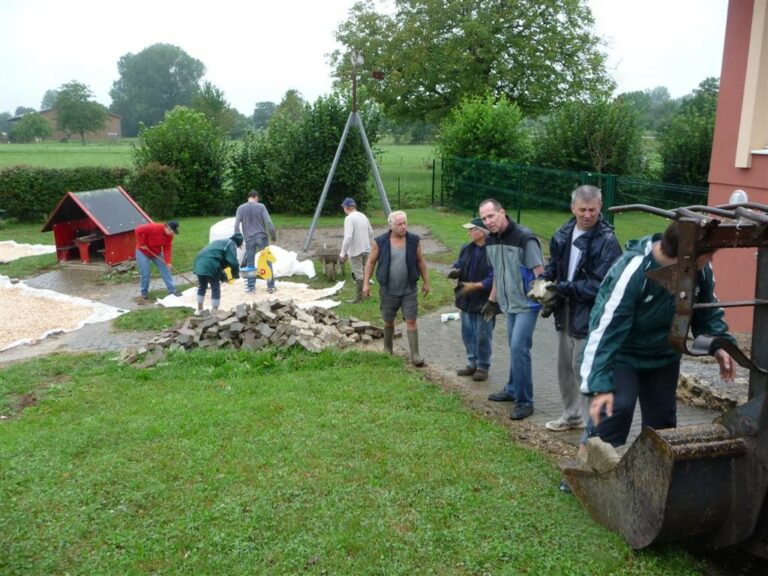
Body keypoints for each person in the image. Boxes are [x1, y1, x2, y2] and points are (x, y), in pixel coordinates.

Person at [581, 221, 736, 448]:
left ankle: (656, 476)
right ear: (685, 257)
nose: (709, 262)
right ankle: (587, 465)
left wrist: (719, 345)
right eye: (707, 257)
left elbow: (707, 312)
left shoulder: (700, 270)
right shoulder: (633, 270)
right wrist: (599, 386)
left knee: (662, 423)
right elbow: (605, 330)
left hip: (664, 356)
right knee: (616, 407)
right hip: (624, 355)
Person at [536, 185, 622, 432]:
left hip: (591, 314)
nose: (587, 215)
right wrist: (546, 279)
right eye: (582, 209)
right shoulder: (563, 234)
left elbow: (601, 285)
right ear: (572, 207)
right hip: (565, 310)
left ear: (600, 208)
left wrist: (563, 287)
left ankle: (593, 426)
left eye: (592, 210)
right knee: (564, 366)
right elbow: (555, 264)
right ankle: (571, 415)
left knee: (583, 368)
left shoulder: (608, 242)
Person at [478, 198, 544, 420]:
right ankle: (513, 388)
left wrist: (545, 300)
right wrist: (492, 300)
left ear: (502, 212)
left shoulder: (525, 238)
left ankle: (525, 401)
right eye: (484, 218)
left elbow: (539, 273)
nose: (488, 221)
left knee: (519, 348)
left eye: (491, 216)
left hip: (527, 304)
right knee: (513, 347)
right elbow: (498, 272)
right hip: (509, 304)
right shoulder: (491, 240)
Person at [362, 210, 430, 367]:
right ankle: (387, 349)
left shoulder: (414, 240)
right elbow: (371, 262)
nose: (403, 226)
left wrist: (426, 282)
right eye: (399, 224)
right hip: (388, 290)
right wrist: (366, 283)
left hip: (409, 290)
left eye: (405, 223)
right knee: (388, 321)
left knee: (411, 320)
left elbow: (420, 261)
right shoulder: (380, 242)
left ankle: (415, 355)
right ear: (391, 225)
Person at [448, 217, 495, 381]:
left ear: (481, 232)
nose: (468, 233)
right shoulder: (466, 248)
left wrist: (475, 286)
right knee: (467, 333)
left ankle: (483, 366)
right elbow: (460, 262)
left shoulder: (493, 251)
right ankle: (472, 362)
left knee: (483, 334)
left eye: (471, 230)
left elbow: (494, 277)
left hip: (486, 300)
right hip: (466, 300)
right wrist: (456, 269)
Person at [234, 190, 277, 294]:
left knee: (250, 264)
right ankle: (270, 286)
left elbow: (236, 226)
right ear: (256, 197)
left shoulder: (240, 208)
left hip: (248, 239)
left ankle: (251, 288)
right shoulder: (261, 206)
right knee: (267, 261)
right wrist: (273, 236)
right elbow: (269, 222)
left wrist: (238, 241)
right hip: (261, 237)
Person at [193, 233, 243, 313]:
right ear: (238, 243)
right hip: (210, 263)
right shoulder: (231, 244)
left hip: (199, 261)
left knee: (202, 286)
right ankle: (215, 312)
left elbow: (222, 263)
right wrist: (235, 275)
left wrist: (224, 277)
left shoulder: (221, 242)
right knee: (215, 287)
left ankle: (199, 309)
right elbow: (233, 262)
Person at [134, 220, 180, 301]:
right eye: (173, 231)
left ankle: (172, 290)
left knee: (166, 269)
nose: (173, 234)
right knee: (146, 272)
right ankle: (144, 292)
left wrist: (168, 262)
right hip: (143, 251)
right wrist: (142, 244)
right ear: (168, 228)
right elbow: (138, 230)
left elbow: (167, 249)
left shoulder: (170, 236)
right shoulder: (154, 227)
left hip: (156, 252)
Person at [339, 197, 374, 304]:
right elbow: (371, 232)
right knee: (365, 271)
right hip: (366, 248)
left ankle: (359, 298)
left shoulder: (349, 218)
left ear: (346, 207)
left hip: (355, 250)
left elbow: (348, 237)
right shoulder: (363, 215)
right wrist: (370, 244)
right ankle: (366, 293)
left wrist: (342, 253)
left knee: (358, 273)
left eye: (343, 207)